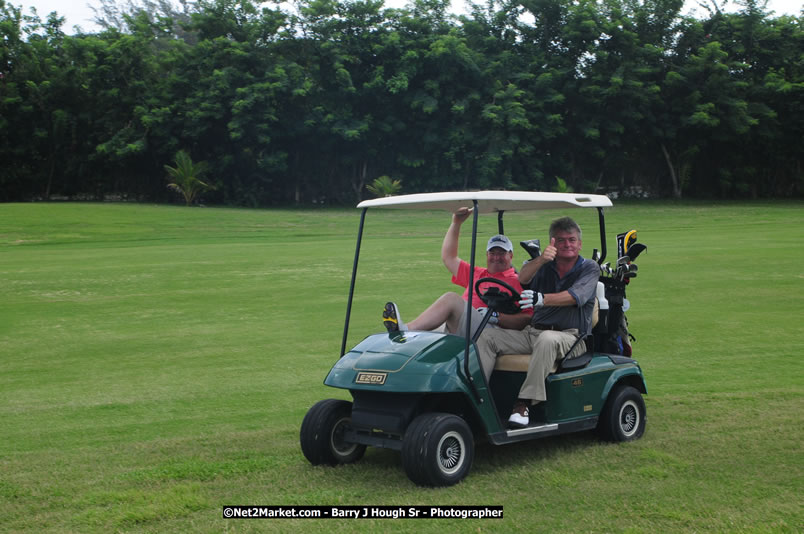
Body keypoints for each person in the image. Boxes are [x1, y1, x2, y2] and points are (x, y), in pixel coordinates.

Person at [475, 216, 598, 428]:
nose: (567, 245)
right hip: (532, 333)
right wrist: (541, 259)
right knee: (486, 336)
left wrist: (542, 299)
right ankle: (478, 396)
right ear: (553, 243)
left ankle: (523, 403)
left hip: (572, 338)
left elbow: (574, 296)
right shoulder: (544, 265)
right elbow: (522, 278)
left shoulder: (590, 268)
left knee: (547, 339)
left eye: (571, 240)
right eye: (561, 240)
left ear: (579, 244)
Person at [383, 207, 531, 336]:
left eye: (502, 253)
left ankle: (406, 330)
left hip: (491, 329)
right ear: (487, 255)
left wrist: (496, 316)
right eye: (492, 253)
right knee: (426, 336)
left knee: (451, 299)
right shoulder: (477, 273)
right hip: (465, 324)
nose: (496, 257)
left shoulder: (519, 280)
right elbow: (449, 258)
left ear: (511, 255)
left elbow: (527, 318)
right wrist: (456, 223)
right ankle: (405, 336)